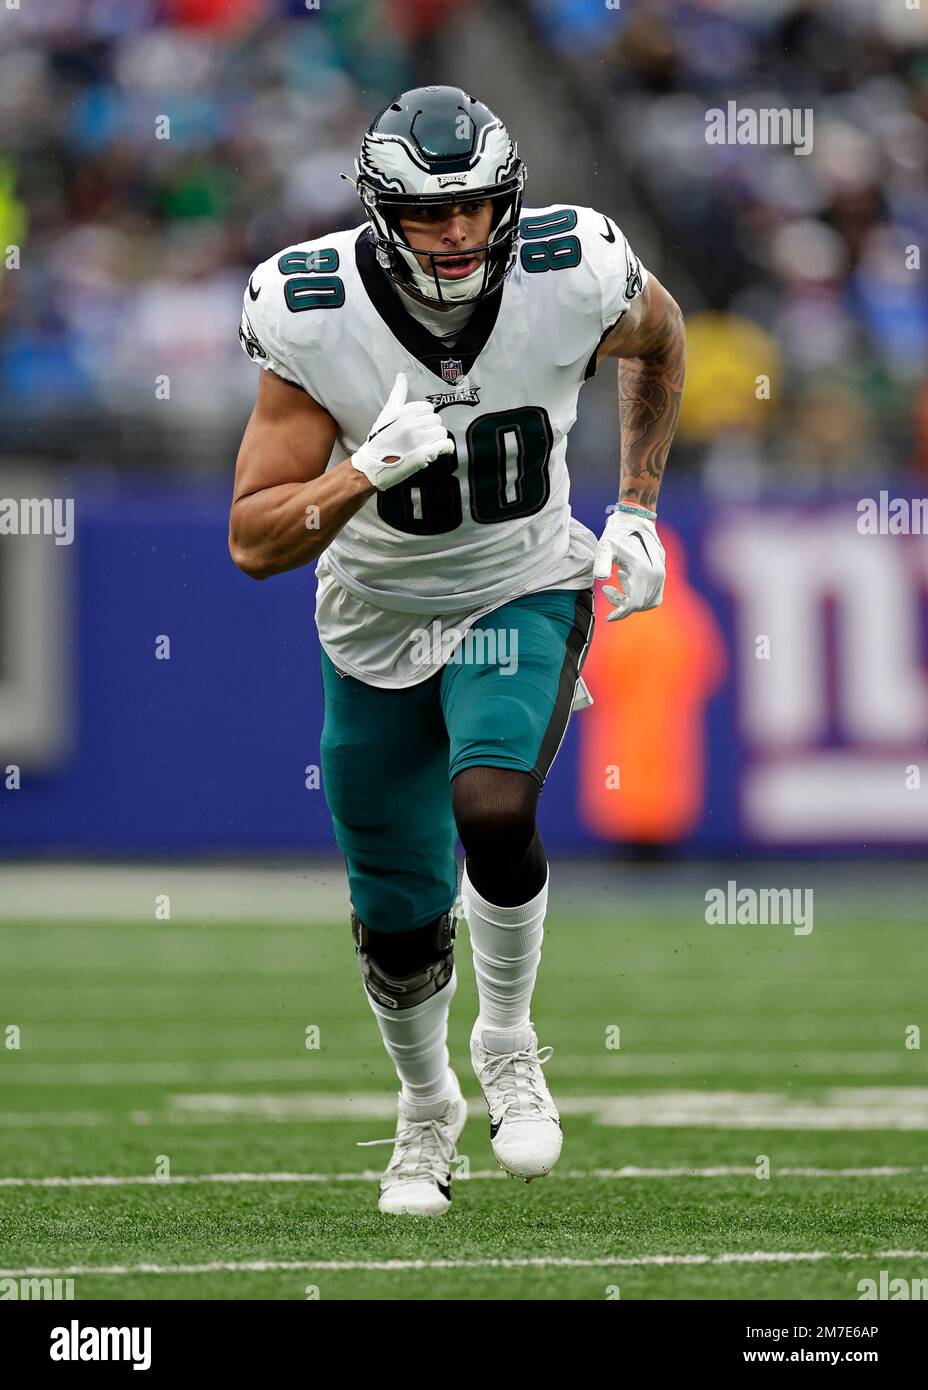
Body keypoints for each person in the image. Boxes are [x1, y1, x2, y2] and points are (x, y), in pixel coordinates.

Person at [230, 85, 685, 1216]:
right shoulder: (313, 304)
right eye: (431, 215)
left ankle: (509, 1037)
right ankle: (424, 1107)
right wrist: (359, 472)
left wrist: (636, 506)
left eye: (478, 208)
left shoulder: (573, 264)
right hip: (374, 616)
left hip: (521, 583)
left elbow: (662, 335)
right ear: (383, 213)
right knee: (395, 919)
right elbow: (251, 539)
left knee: (492, 802)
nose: (458, 234)